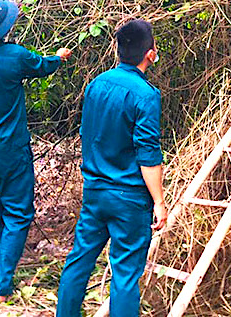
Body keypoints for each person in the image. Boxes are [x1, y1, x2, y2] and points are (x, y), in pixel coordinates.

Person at [0, 0, 73, 303]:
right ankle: (1, 287)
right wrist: (59, 57)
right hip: (10, 149)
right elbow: (43, 66)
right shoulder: (15, 56)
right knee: (18, 213)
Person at [56, 19, 166, 317]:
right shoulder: (145, 95)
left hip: (94, 191)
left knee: (79, 260)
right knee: (126, 274)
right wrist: (159, 201)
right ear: (151, 54)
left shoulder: (96, 85)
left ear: (117, 50)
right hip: (129, 198)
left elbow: (88, 133)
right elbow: (148, 154)